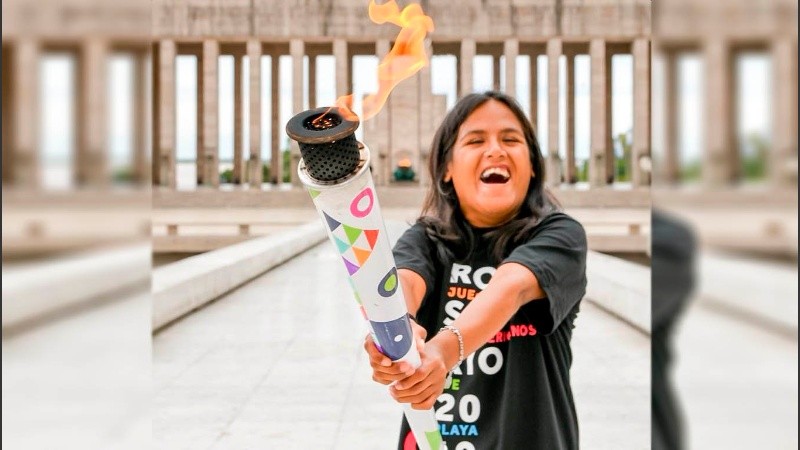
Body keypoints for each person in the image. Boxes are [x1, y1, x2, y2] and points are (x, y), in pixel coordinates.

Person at [363, 91, 588, 449]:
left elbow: (510, 286)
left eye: (511, 139)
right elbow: (404, 280)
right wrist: (394, 327)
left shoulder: (561, 236)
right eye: (475, 140)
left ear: (532, 166)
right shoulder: (425, 238)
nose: (495, 150)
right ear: (447, 169)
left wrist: (442, 352)